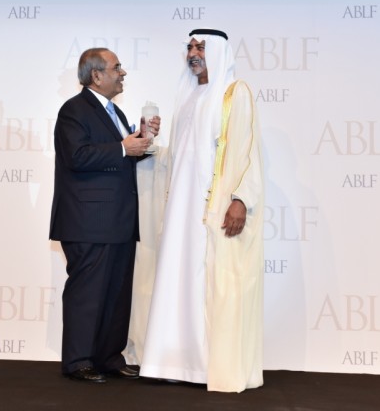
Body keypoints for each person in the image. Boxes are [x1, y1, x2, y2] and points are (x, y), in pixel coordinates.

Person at [139, 29, 265, 392]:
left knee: (210, 283)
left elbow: (248, 150)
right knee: (179, 278)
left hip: (215, 207)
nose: (194, 53)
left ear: (219, 52)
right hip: (180, 208)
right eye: (190, 47)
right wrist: (149, 141)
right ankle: (175, 361)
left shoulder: (233, 93)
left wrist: (241, 198)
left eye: (201, 47)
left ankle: (209, 365)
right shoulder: (187, 95)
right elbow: (180, 159)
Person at [49, 47, 160, 384]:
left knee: (115, 293)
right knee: (88, 293)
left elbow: (116, 157)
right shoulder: (74, 110)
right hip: (88, 222)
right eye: (116, 67)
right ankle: (79, 361)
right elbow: (78, 156)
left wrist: (141, 140)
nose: (122, 73)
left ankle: (109, 357)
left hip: (119, 221)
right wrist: (125, 146)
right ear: (96, 75)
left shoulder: (115, 112)